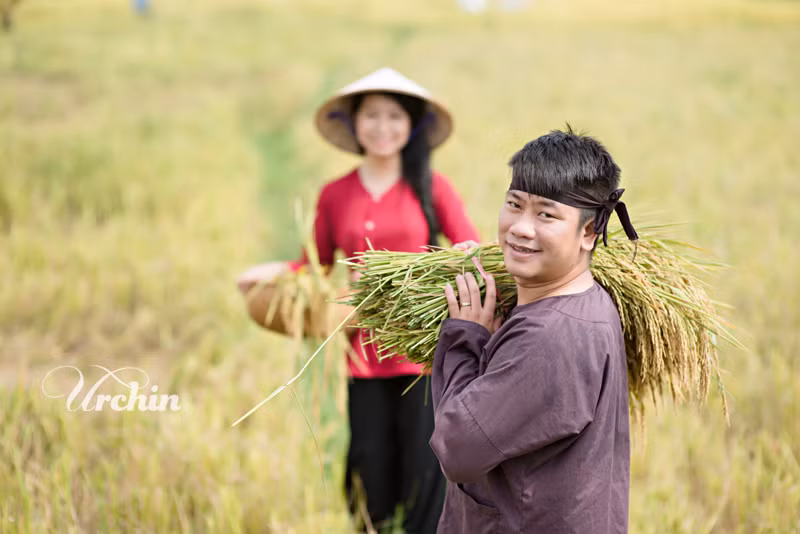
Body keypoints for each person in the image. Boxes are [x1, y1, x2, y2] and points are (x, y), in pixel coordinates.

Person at [237, 67, 479, 533]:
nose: (382, 127)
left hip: (422, 354)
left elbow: (467, 245)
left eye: (394, 116)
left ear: (411, 126)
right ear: (354, 124)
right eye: (371, 116)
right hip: (362, 350)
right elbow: (315, 263)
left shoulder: (433, 188)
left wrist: (462, 258)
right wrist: (267, 275)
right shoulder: (336, 193)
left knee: (425, 464)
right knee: (369, 457)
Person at [430, 127, 637, 533]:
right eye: (514, 204)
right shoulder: (581, 303)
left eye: (546, 214)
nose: (521, 228)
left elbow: (457, 449)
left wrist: (464, 337)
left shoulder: (551, 338)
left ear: (589, 233)